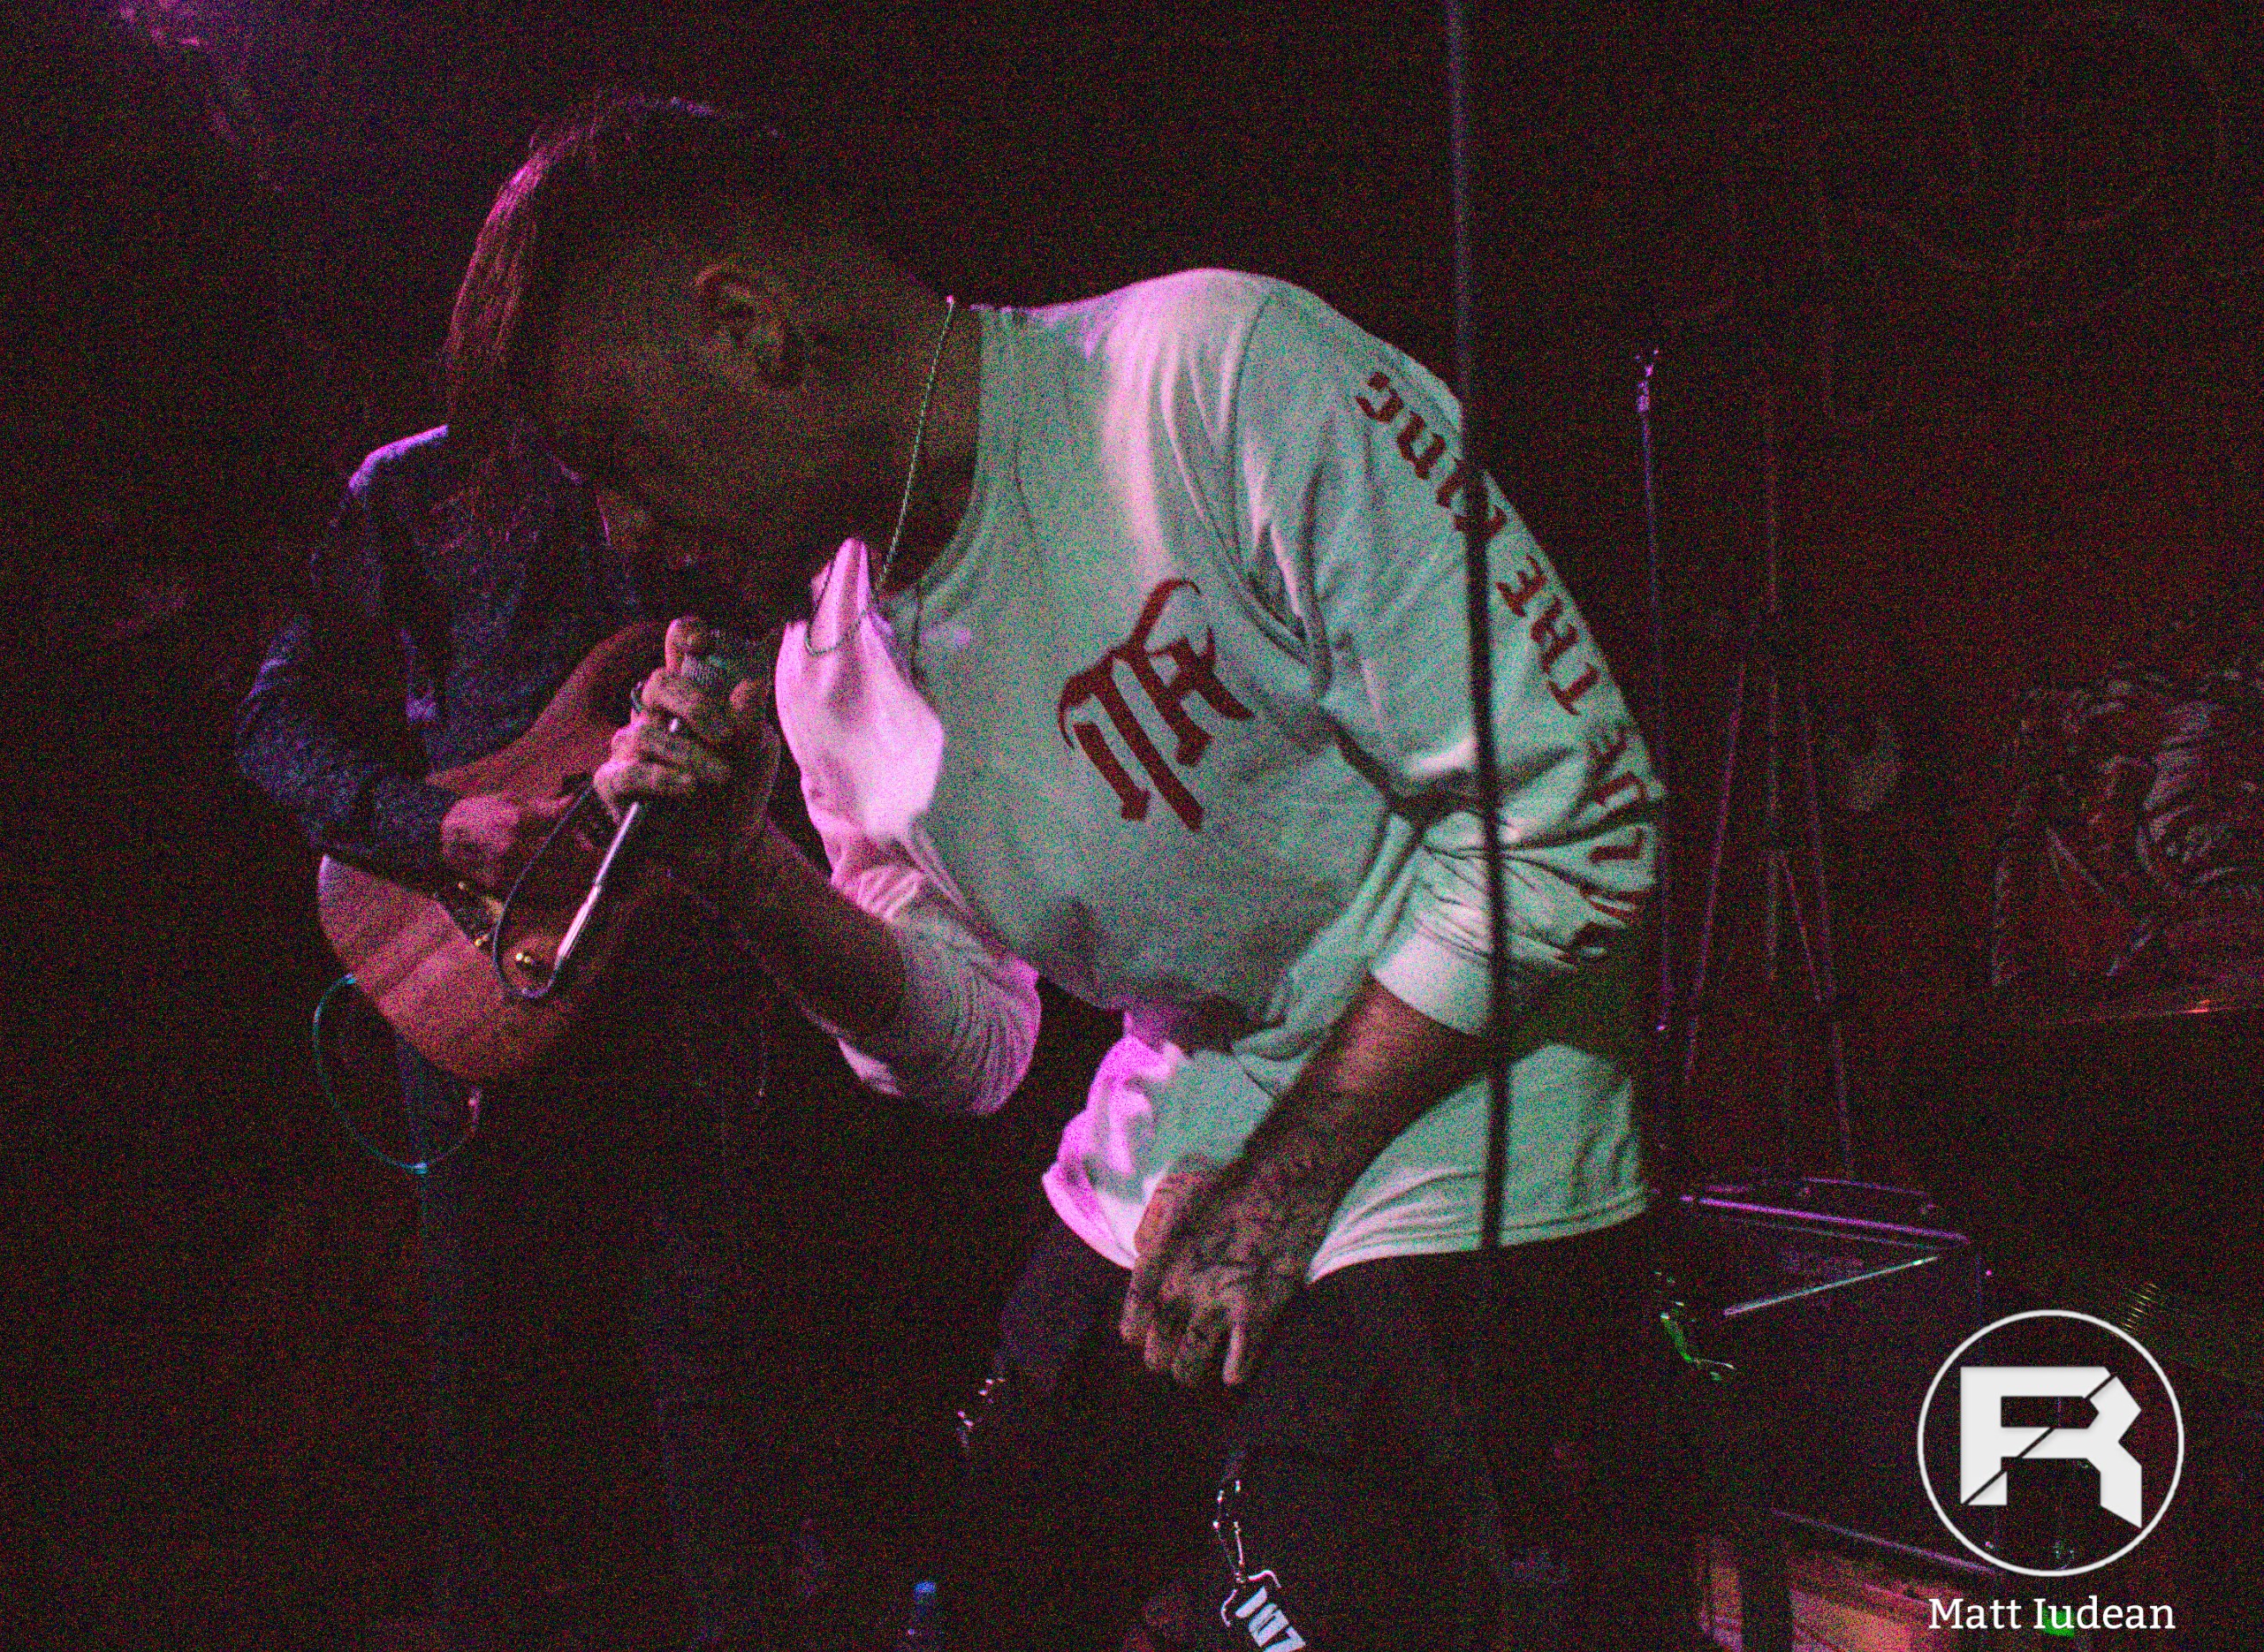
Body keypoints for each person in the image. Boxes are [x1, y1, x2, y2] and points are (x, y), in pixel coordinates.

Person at [445, 95, 1683, 1650]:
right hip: (1188, 1141)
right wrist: (748, 878)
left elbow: (1573, 814)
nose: (625, 533)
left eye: (620, 459)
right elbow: (974, 1041)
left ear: (749, 328)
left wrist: (1278, 1185)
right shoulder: (830, 666)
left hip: (1465, 1104)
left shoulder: (1212, 376)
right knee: (994, 1595)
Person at [233, 422, 810, 1652]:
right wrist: (432, 827)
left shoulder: (698, 449)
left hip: (680, 955)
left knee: (711, 1350)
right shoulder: (410, 486)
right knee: (482, 1365)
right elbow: (272, 723)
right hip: (478, 951)